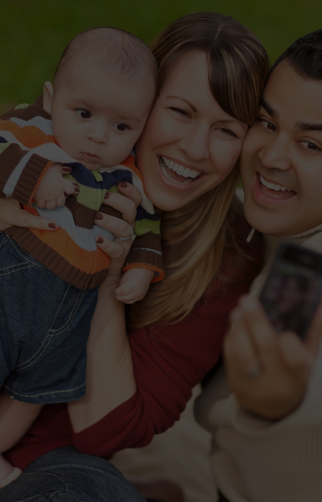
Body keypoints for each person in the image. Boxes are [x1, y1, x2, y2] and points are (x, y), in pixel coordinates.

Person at [0, 12, 269, 502]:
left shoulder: (227, 256)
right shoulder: (44, 144)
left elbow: (104, 430)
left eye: (227, 130)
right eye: (181, 111)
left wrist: (110, 276)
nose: (194, 148)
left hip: (41, 455)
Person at [195, 28, 322, 502]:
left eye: (311, 145)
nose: (271, 157)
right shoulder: (304, 215)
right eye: (267, 123)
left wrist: (285, 392)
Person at [0, 26, 165, 488]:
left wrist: (139, 268)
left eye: (121, 126)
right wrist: (35, 176)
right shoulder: (30, 133)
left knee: (31, 396)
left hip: (70, 315)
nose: (97, 137)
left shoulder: (124, 173)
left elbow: (148, 225)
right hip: (12, 285)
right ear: (51, 99)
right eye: (85, 113)